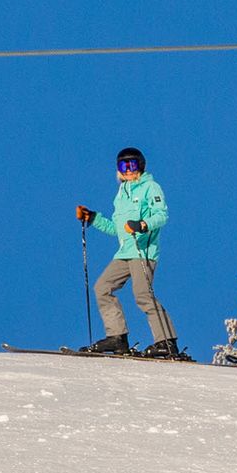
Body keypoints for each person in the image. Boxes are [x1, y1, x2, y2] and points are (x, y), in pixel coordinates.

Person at [74, 147, 180, 357]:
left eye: (132, 165)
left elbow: (162, 216)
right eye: (124, 166)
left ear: (140, 166)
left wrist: (142, 224)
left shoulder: (150, 187)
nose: (129, 170)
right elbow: (117, 228)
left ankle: (166, 342)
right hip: (125, 252)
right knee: (102, 287)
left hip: (143, 251)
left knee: (142, 295)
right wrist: (93, 218)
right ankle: (117, 337)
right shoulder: (122, 193)